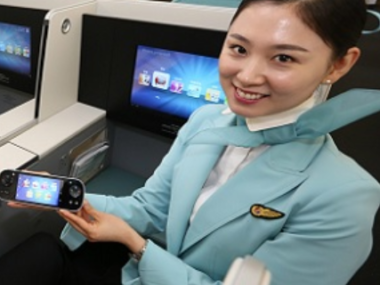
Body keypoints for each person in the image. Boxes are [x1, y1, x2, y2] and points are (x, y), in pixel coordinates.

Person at [1, 0, 380, 284]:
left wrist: (138, 245)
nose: (246, 76)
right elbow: (152, 207)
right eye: (238, 48)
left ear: (339, 64)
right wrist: (69, 196)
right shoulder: (206, 121)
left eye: (282, 58)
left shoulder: (344, 195)